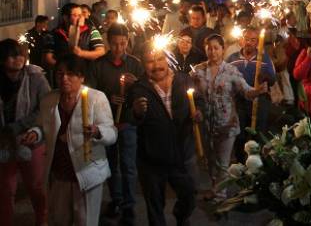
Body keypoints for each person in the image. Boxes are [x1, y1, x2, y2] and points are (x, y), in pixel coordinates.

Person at [22, 55, 117, 226]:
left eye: (71, 74)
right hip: (59, 173)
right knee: (59, 219)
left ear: (81, 77)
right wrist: (35, 133)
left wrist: (97, 132)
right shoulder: (49, 100)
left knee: (85, 221)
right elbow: (42, 126)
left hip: (87, 173)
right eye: (60, 74)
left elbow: (112, 133)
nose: (64, 78)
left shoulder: (96, 98)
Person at [126, 43, 202, 226]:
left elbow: (199, 102)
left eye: (160, 59)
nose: (156, 65)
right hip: (151, 158)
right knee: (155, 207)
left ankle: (180, 215)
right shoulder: (138, 88)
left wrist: (199, 112)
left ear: (167, 59)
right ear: (143, 64)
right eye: (150, 61)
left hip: (182, 154)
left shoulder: (184, 80)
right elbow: (128, 118)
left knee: (190, 195)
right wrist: (136, 112)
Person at [191, 34, 266, 201]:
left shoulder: (231, 70)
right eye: (209, 48)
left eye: (216, 48)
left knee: (223, 163)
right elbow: (191, 95)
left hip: (227, 124)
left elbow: (246, 91)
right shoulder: (198, 71)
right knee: (210, 161)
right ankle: (215, 186)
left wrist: (257, 91)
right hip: (206, 124)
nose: (212, 52)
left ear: (223, 49)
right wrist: (195, 110)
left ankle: (220, 195)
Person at [86, 24, 144, 224]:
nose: (119, 48)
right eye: (114, 44)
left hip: (127, 121)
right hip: (106, 122)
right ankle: (116, 198)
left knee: (128, 164)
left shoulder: (135, 64)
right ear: (108, 43)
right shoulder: (98, 64)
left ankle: (129, 205)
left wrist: (135, 85)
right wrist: (107, 99)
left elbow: (144, 92)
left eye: (123, 43)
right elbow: (90, 92)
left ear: (127, 41)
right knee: (110, 163)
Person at [0, 39, 51, 226]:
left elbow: (46, 107)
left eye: (20, 54)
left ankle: (42, 219)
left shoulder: (35, 77)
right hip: (4, 142)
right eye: (13, 55)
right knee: (6, 189)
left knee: (36, 186)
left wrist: (28, 127)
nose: (19, 59)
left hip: (31, 137)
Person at [226, 28, 276, 161]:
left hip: (259, 102)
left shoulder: (264, 58)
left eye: (253, 40)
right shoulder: (232, 58)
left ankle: (257, 163)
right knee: (240, 133)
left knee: (258, 133)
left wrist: (265, 77)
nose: (249, 43)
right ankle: (241, 162)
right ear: (241, 40)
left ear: (257, 42)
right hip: (239, 102)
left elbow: (273, 80)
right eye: (246, 39)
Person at [44, 3, 106, 69]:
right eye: (76, 15)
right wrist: (64, 69)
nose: (81, 17)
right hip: (62, 75)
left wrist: (81, 53)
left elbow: (101, 52)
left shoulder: (92, 31)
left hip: (85, 74)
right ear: (65, 17)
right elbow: (48, 58)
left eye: (81, 15)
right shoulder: (52, 34)